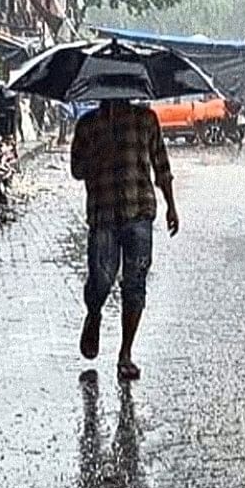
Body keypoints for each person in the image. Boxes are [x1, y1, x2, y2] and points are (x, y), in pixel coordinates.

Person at [70, 98, 180, 380]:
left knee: (135, 285)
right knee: (101, 280)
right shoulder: (89, 124)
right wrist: (98, 153)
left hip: (139, 211)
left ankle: (126, 353)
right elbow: (76, 170)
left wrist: (171, 205)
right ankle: (94, 313)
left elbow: (161, 165)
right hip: (103, 214)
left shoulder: (147, 120)